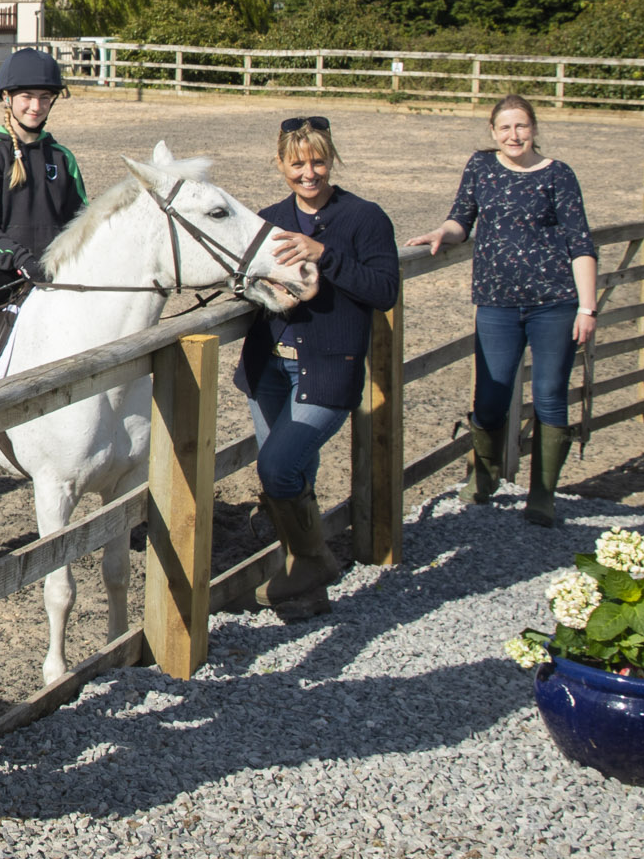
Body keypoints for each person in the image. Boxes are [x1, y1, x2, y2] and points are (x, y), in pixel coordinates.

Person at [233, 117, 399, 617]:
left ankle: (315, 561)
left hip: (326, 369)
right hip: (268, 367)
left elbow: (384, 290)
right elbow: (244, 278)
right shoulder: (268, 217)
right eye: (297, 163)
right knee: (295, 472)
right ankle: (305, 591)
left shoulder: (364, 218)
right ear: (281, 164)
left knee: (278, 467)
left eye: (318, 161)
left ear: (333, 159)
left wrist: (324, 256)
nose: (309, 173)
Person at [406, 94, 597, 527]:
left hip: (555, 304)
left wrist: (587, 308)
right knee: (490, 397)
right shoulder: (481, 167)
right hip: (496, 302)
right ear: (493, 132)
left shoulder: (558, 175)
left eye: (522, 127)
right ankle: (485, 477)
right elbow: (462, 219)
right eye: (505, 128)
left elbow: (580, 242)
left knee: (550, 395)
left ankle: (543, 493)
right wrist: (442, 232)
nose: (514, 135)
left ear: (534, 129)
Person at [0, 46, 86, 319]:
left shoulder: (62, 157)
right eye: (27, 97)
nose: (36, 106)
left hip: (55, 270)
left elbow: (81, 221)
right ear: (7, 97)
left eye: (45, 98)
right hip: (1, 269)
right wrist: (21, 260)